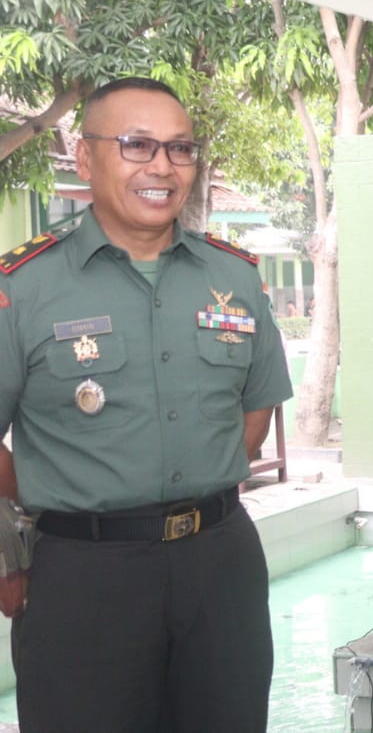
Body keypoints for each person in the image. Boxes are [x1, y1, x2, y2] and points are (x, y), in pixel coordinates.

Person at [0, 77, 293, 733]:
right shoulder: (24, 286)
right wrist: (51, 497)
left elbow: (253, 412)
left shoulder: (233, 277)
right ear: (85, 157)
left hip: (220, 563)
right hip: (83, 572)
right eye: (137, 145)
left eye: (180, 148)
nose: (161, 166)